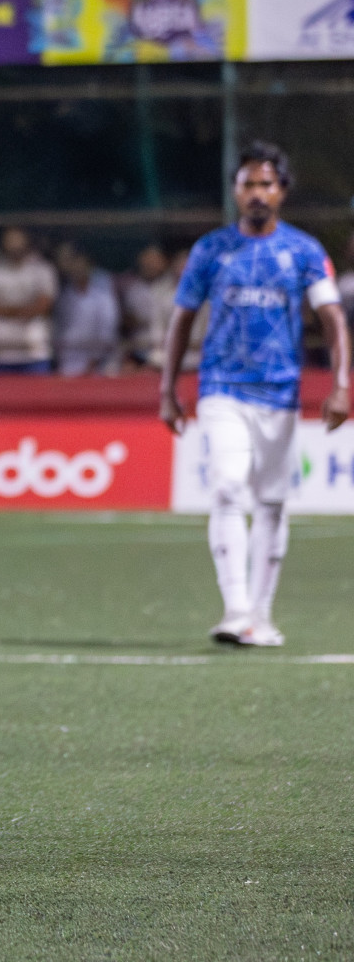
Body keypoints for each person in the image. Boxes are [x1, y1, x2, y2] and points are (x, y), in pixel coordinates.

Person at [160, 140, 350, 648]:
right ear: (235, 191)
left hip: (280, 394)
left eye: (266, 183)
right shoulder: (211, 250)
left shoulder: (305, 252)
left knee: (270, 503)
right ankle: (236, 609)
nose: (256, 193)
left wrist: (341, 384)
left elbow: (332, 320)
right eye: (247, 184)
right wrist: (167, 389)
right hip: (222, 387)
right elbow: (182, 319)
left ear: (282, 191)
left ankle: (261, 616)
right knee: (225, 486)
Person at [0, 227, 57, 374]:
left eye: (18, 240)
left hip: (34, 352)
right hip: (0, 352)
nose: (14, 245)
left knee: (37, 397)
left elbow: (44, 305)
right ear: (3, 243)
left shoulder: (42, 270)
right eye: (10, 241)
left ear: (26, 242)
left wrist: (4, 310)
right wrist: (21, 310)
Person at [53, 242, 120, 377]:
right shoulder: (65, 296)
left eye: (79, 263)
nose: (75, 268)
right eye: (71, 263)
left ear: (86, 263)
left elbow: (106, 333)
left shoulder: (103, 297)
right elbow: (59, 329)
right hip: (66, 363)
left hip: (96, 366)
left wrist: (93, 362)